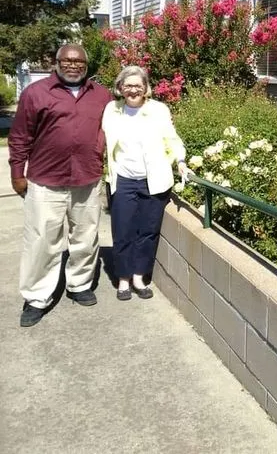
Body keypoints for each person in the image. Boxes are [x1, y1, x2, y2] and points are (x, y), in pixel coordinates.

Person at [8, 44, 113, 327]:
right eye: (66, 60)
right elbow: (19, 136)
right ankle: (37, 296)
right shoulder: (36, 93)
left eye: (79, 61)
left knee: (86, 236)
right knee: (42, 240)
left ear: (86, 65)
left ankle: (79, 284)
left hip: (87, 179)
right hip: (46, 180)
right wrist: (17, 172)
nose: (73, 65)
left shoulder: (102, 96)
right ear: (57, 62)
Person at [102, 65, 187, 300]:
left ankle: (139, 276)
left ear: (146, 88)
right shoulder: (112, 110)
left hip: (154, 180)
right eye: (127, 85)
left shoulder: (158, 110)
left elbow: (172, 137)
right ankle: (123, 279)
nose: (133, 90)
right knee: (122, 230)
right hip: (123, 180)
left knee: (148, 231)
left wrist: (180, 159)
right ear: (120, 88)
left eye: (137, 85)